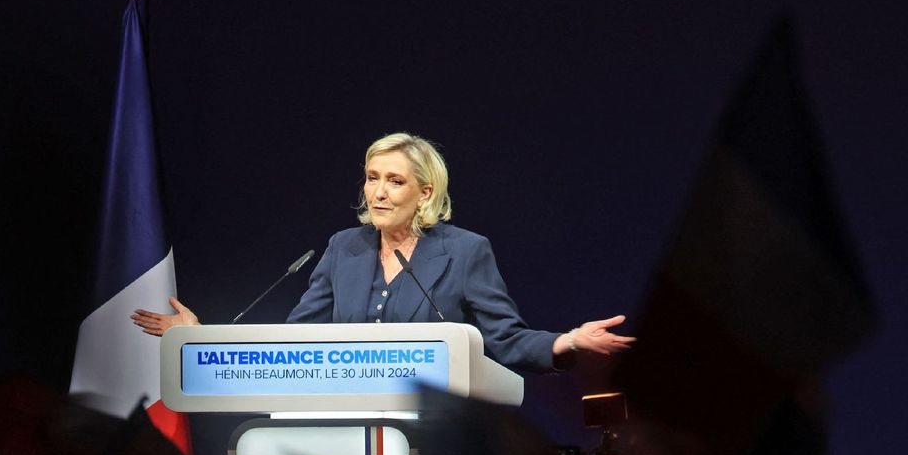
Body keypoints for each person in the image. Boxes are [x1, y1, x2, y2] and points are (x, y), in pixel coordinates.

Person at [131, 132, 633, 372]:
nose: (379, 192)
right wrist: (203, 339)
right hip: (343, 419)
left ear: (426, 192)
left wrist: (567, 340)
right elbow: (296, 340)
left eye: (395, 181)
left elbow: (503, 338)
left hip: (430, 431)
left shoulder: (465, 251)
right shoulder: (343, 248)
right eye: (373, 178)